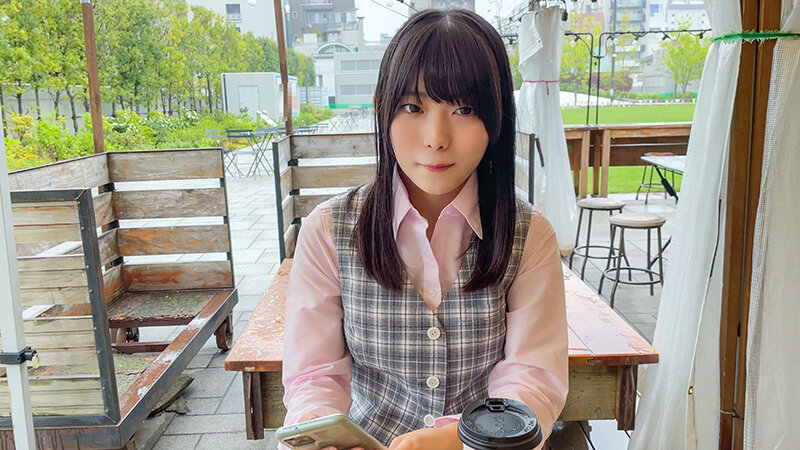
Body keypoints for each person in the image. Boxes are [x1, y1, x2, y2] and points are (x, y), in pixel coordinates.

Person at [281, 8, 568, 450]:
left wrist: (461, 440)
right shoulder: (329, 230)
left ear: (497, 120)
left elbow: (533, 377)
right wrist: (320, 433)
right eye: (413, 107)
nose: (436, 137)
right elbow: (314, 376)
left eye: (464, 109)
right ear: (383, 109)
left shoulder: (528, 235)